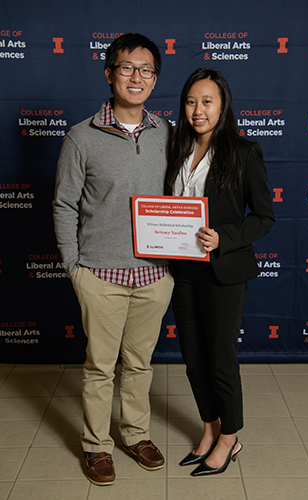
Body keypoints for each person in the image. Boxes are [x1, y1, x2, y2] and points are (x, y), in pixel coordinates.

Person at [53, 33, 174, 486]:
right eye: (127, 67)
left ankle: (135, 434)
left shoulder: (168, 132)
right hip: (99, 274)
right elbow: (64, 204)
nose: (136, 77)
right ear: (109, 74)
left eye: (145, 70)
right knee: (100, 366)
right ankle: (95, 446)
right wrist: (73, 267)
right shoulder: (81, 136)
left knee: (140, 363)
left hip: (154, 275)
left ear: (154, 78)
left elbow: (180, 201)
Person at [165, 68, 275, 477]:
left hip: (223, 271)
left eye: (207, 101)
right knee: (193, 359)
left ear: (223, 105)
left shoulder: (244, 152)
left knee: (220, 359)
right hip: (182, 270)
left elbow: (264, 217)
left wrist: (223, 237)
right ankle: (209, 429)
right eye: (191, 101)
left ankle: (230, 438)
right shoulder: (176, 149)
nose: (198, 110)